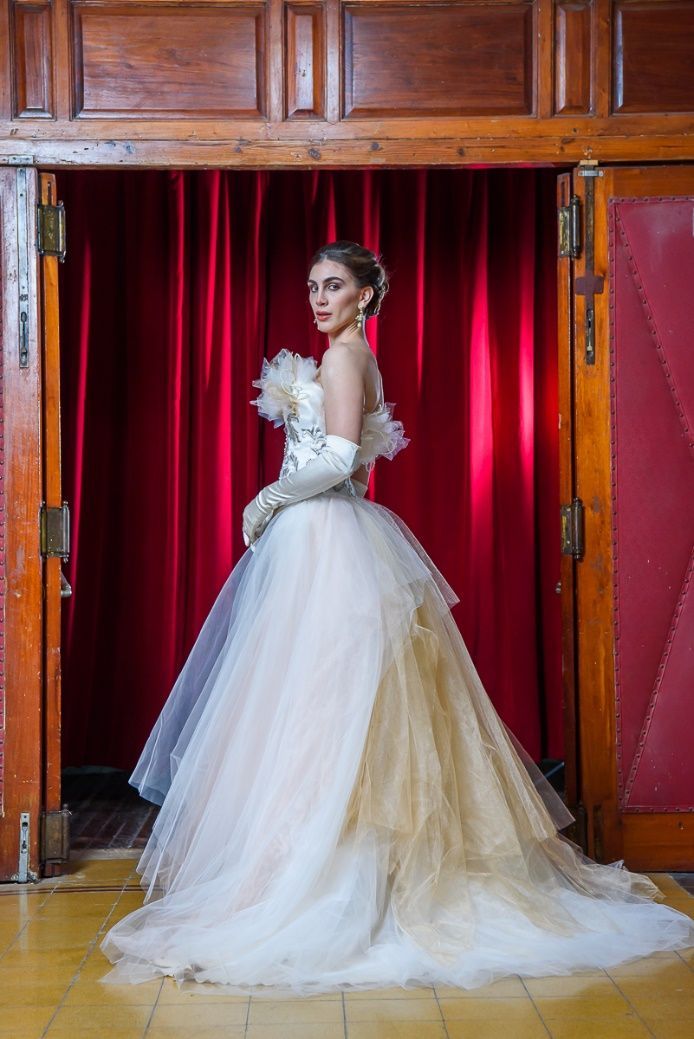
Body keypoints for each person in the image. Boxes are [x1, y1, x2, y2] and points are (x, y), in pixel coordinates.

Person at [99, 240, 694, 996]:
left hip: (327, 541)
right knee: (315, 714)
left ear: (366, 294)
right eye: (313, 285)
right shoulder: (344, 356)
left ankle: (314, 887)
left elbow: (344, 456)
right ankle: (305, 871)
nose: (319, 298)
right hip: (318, 542)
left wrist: (269, 496)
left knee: (325, 714)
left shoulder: (348, 360)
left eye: (335, 285)